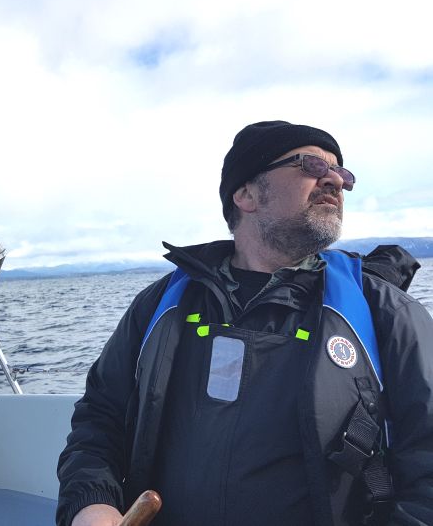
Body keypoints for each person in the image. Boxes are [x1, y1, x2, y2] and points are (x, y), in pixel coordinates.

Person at [56, 121, 433, 526]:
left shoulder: (383, 312)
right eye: (311, 165)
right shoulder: (161, 306)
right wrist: (91, 503)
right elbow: (100, 417)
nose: (334, 181)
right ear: (246, 194)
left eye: (342, 173)